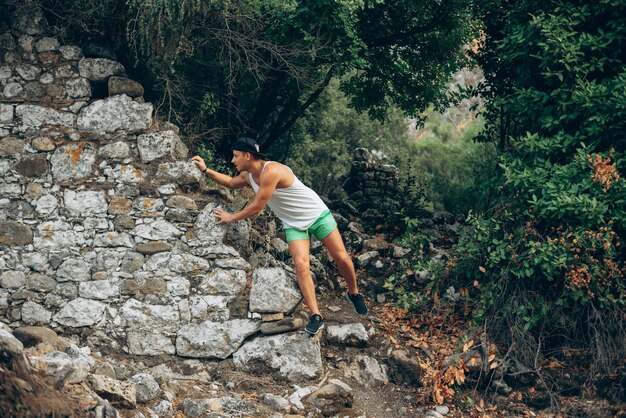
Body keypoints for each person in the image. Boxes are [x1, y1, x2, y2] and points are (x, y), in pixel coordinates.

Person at [192, 137, 368, 335]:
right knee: (301, 265)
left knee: (341, 257)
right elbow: (231, 182)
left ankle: (353, 293)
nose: (233, 160)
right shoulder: (248, 175)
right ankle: (315, 316)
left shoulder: (272, 171)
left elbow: (257, 207)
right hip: (293, 224)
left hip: (316, 214)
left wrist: (231, 217)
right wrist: (206, 170)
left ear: (248, 156)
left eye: (236, 156)